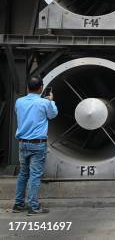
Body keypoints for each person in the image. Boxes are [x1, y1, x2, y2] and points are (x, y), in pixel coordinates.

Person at [12, 76, 57, 215]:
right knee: (35, 175)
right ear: (41, 88)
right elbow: (53, 115)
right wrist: (51, 101)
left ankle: (18, 204)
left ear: (27, 88)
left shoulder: (19, 102)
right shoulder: (44, 103)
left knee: (23, 174)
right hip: (37, 144)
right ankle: (33, 206)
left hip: (22, 143)